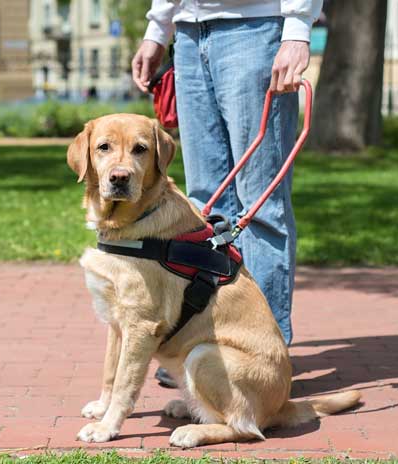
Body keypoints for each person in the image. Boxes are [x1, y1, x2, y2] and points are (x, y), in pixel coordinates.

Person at [132, 0, 323, 358]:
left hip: (256, 27)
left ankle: (264, 355)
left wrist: (297, 30)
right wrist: (158, 29)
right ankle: (210, 348)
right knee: (205, 207)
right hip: (189, 34)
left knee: (261, 206)